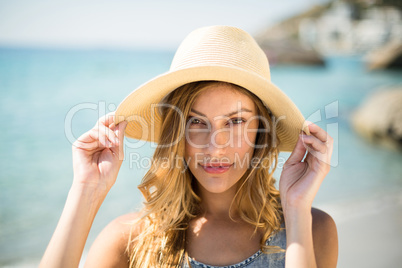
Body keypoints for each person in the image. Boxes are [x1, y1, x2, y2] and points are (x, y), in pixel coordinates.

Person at [40, 25, 338, 268]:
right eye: (196, 122)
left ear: (261, 130)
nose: (215, 146)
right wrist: (86, 189)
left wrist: (297, 210)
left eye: (235, 122)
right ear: (175, 133)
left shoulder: (313, 231)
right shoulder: (129, 242)